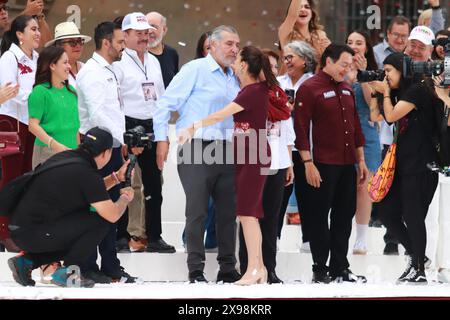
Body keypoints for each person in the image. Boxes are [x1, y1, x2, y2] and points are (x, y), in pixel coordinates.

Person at [179, 45, 276, 285]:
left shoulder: (251, 91)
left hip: (252, 156)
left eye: (238, 59)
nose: (234, 61)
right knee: (247, 214)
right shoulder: (257, 89)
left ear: (244, 65)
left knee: (247, 214)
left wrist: (193, 125)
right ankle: (259, 268)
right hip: (247, 155)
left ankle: (255, 268)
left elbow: (219, 115)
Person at [154, 25, 241, 283]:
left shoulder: (236, 76)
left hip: (228, 149)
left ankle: (227, 268)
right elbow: (165, 105)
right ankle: (196, 269)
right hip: (197, 147)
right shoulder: (195, 70)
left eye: (237, 45)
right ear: (212, 45)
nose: (235, 49)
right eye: (229, 44)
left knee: (228, 213)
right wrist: (162, 140)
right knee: (197, 211)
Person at [7, 127, 134, 288]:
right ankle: (68, 271)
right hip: (35, 232)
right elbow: (112, 214)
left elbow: (89, 190)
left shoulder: (65, 158)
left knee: (79, 224)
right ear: (106, 153)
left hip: (21, 231)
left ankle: (27, 261)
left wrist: (116, 178)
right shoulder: (87, 173)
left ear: (81, 142)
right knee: (99, 223)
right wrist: (125, 197)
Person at [294, 43, 369, 283]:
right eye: (343, 65)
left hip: (347, 164)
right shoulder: (308, 88)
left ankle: (340, 267)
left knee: (343, 216)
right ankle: (320, 267)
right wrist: (307, 162)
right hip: (321, 164)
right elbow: (301, 128)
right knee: (318, 216)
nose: (346, 70)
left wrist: (361, 160)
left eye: (349, 66)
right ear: (328, 61)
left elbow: (356, 126)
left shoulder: (347, 88)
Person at [368, 52, 441, 284]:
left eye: (390, 70)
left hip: (421, 166)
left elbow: (390, 115)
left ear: (403, 70)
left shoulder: (418, 91)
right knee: (386, 213)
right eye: (385, 70)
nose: (386, 75)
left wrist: (387, 92)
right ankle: (417, 256)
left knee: (413, 216)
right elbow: (375, 116)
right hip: (402, 164)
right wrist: (377, 92)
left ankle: (418, 268)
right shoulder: (402, 92)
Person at [77, 21, 136, 283]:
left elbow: (113, 111)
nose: (124, 47)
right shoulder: (92, 72)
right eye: (120, 42)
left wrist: (119, 141)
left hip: (111, 146)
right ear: (106, 42)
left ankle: (111, 265)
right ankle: (88, 265)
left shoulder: (110, 71)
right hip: (97, 149)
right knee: (95, 209)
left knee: (112, 208)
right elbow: (97, 112)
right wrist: (119, 138)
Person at [114, 12, 174, 254]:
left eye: (147, 32)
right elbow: (115, 102)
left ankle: (154, 235)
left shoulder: (155, 62)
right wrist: (121, 136)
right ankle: (119, 234)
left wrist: (162, 137)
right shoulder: (118, 63)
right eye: (138, 33)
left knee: (154, 184)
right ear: (125, 35)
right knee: (123, 181)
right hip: (126, 122)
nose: (144, 37)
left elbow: (161, 101)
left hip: (152, 124)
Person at [238, 48, 294, 284]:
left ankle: (268, 268)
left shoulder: (279, 94)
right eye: (266, 66)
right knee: (249, 218)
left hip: (278, 163)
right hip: (252, 163)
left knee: (271, 219)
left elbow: (287, 130)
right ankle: (248, 268)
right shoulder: (246, 93)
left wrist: (289, 162)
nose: (270, 70)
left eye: (273, 66)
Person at [372, 15, 411, 255]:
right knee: (388, 193)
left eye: (403, 35)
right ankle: (392, 238)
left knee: (406, 196)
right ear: (388, 34)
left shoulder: (413, 63)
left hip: (409, 141)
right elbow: (377, 116)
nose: (399, 39)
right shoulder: (377, 54)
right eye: (396, 34)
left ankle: (409, 244)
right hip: (388, 139)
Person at [276, 40, 315, 252]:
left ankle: (308, 239)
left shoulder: (315, 83)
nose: (287, 61)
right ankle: (274, 237)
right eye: (285, 57)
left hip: (307, 146)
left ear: (305, 60)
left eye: (291, 57)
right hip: (281, 146)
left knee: (307, 194)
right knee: (279, 194)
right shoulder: (277, 82)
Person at [180, 30, 217, 252]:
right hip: (196, 142)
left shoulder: (231, 75)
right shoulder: (192, 72)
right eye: (208, 48)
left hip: (223, 142)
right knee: (200, 197)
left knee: (220, 197)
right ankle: (191, 239)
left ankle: (213, 239)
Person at [346, 30, 381, 255]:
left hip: (366, 134)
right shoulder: (337, 69)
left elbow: (373, 106)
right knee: (341, 186)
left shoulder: (374, 73)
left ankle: (361, 238)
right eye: (350, 42)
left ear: (366, 48)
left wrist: (363, 74)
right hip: (341, 134)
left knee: (363, 186)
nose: (354, 46)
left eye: (359, 43)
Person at [0, 15, 40, 189]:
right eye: (33, 29)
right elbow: (10, 91)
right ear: (20, 34)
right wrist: (38, 98)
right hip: (11, 123)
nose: (38, 33)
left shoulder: (37, 58)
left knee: (27, 174)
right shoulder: (9, 58)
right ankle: (4, 216)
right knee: (11, 177)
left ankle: (20, 216)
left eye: (38, 29)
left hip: (31, 122)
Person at [28, 45, 79, 170]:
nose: (69, 66)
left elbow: (75, 126)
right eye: (65, 63)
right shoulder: (40, 91)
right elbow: (33, 125)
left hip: (71, 152)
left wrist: (78, 151)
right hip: (48, 153)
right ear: (52, 66)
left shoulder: (71, 91)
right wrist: (54, 145)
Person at [278, 0, 330, 68]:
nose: (303, 9)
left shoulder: (320, 35)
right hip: (292, 78)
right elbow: (292, 16)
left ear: (312, 13)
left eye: (307, 7)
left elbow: (330, 61)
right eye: (299, 7)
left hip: (316, 77)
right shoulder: (286, 33)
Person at [45, 22, 91, 88]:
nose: (78, 45)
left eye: (80, 41)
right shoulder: (53, 72)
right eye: (72, 42)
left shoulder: (87, 68)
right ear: (59, 45)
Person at [146, 12, 179, 88]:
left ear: (164, 30)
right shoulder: (139, 54)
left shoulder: (172, 53)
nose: (150, 31)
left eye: (154, 27)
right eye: (147, 27)